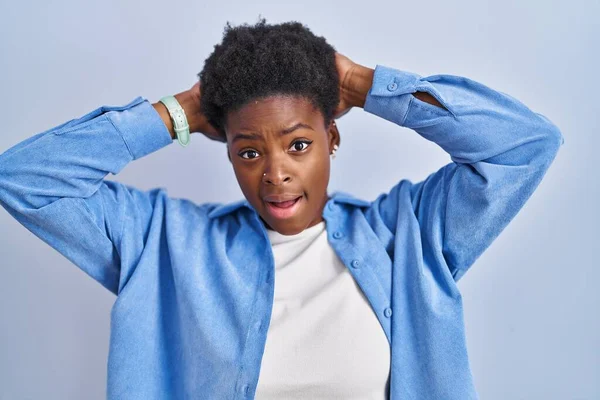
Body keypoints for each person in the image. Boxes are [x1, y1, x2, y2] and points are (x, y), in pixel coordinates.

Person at [0, 18, 564, 400]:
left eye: (298, 144)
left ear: (332, 139)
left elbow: (523, 146)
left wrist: (363, 83)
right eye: (249, 151)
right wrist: (185, 108)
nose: (275, 173)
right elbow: (25, 179)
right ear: (225, 150)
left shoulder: (408, 236)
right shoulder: (162, 243)